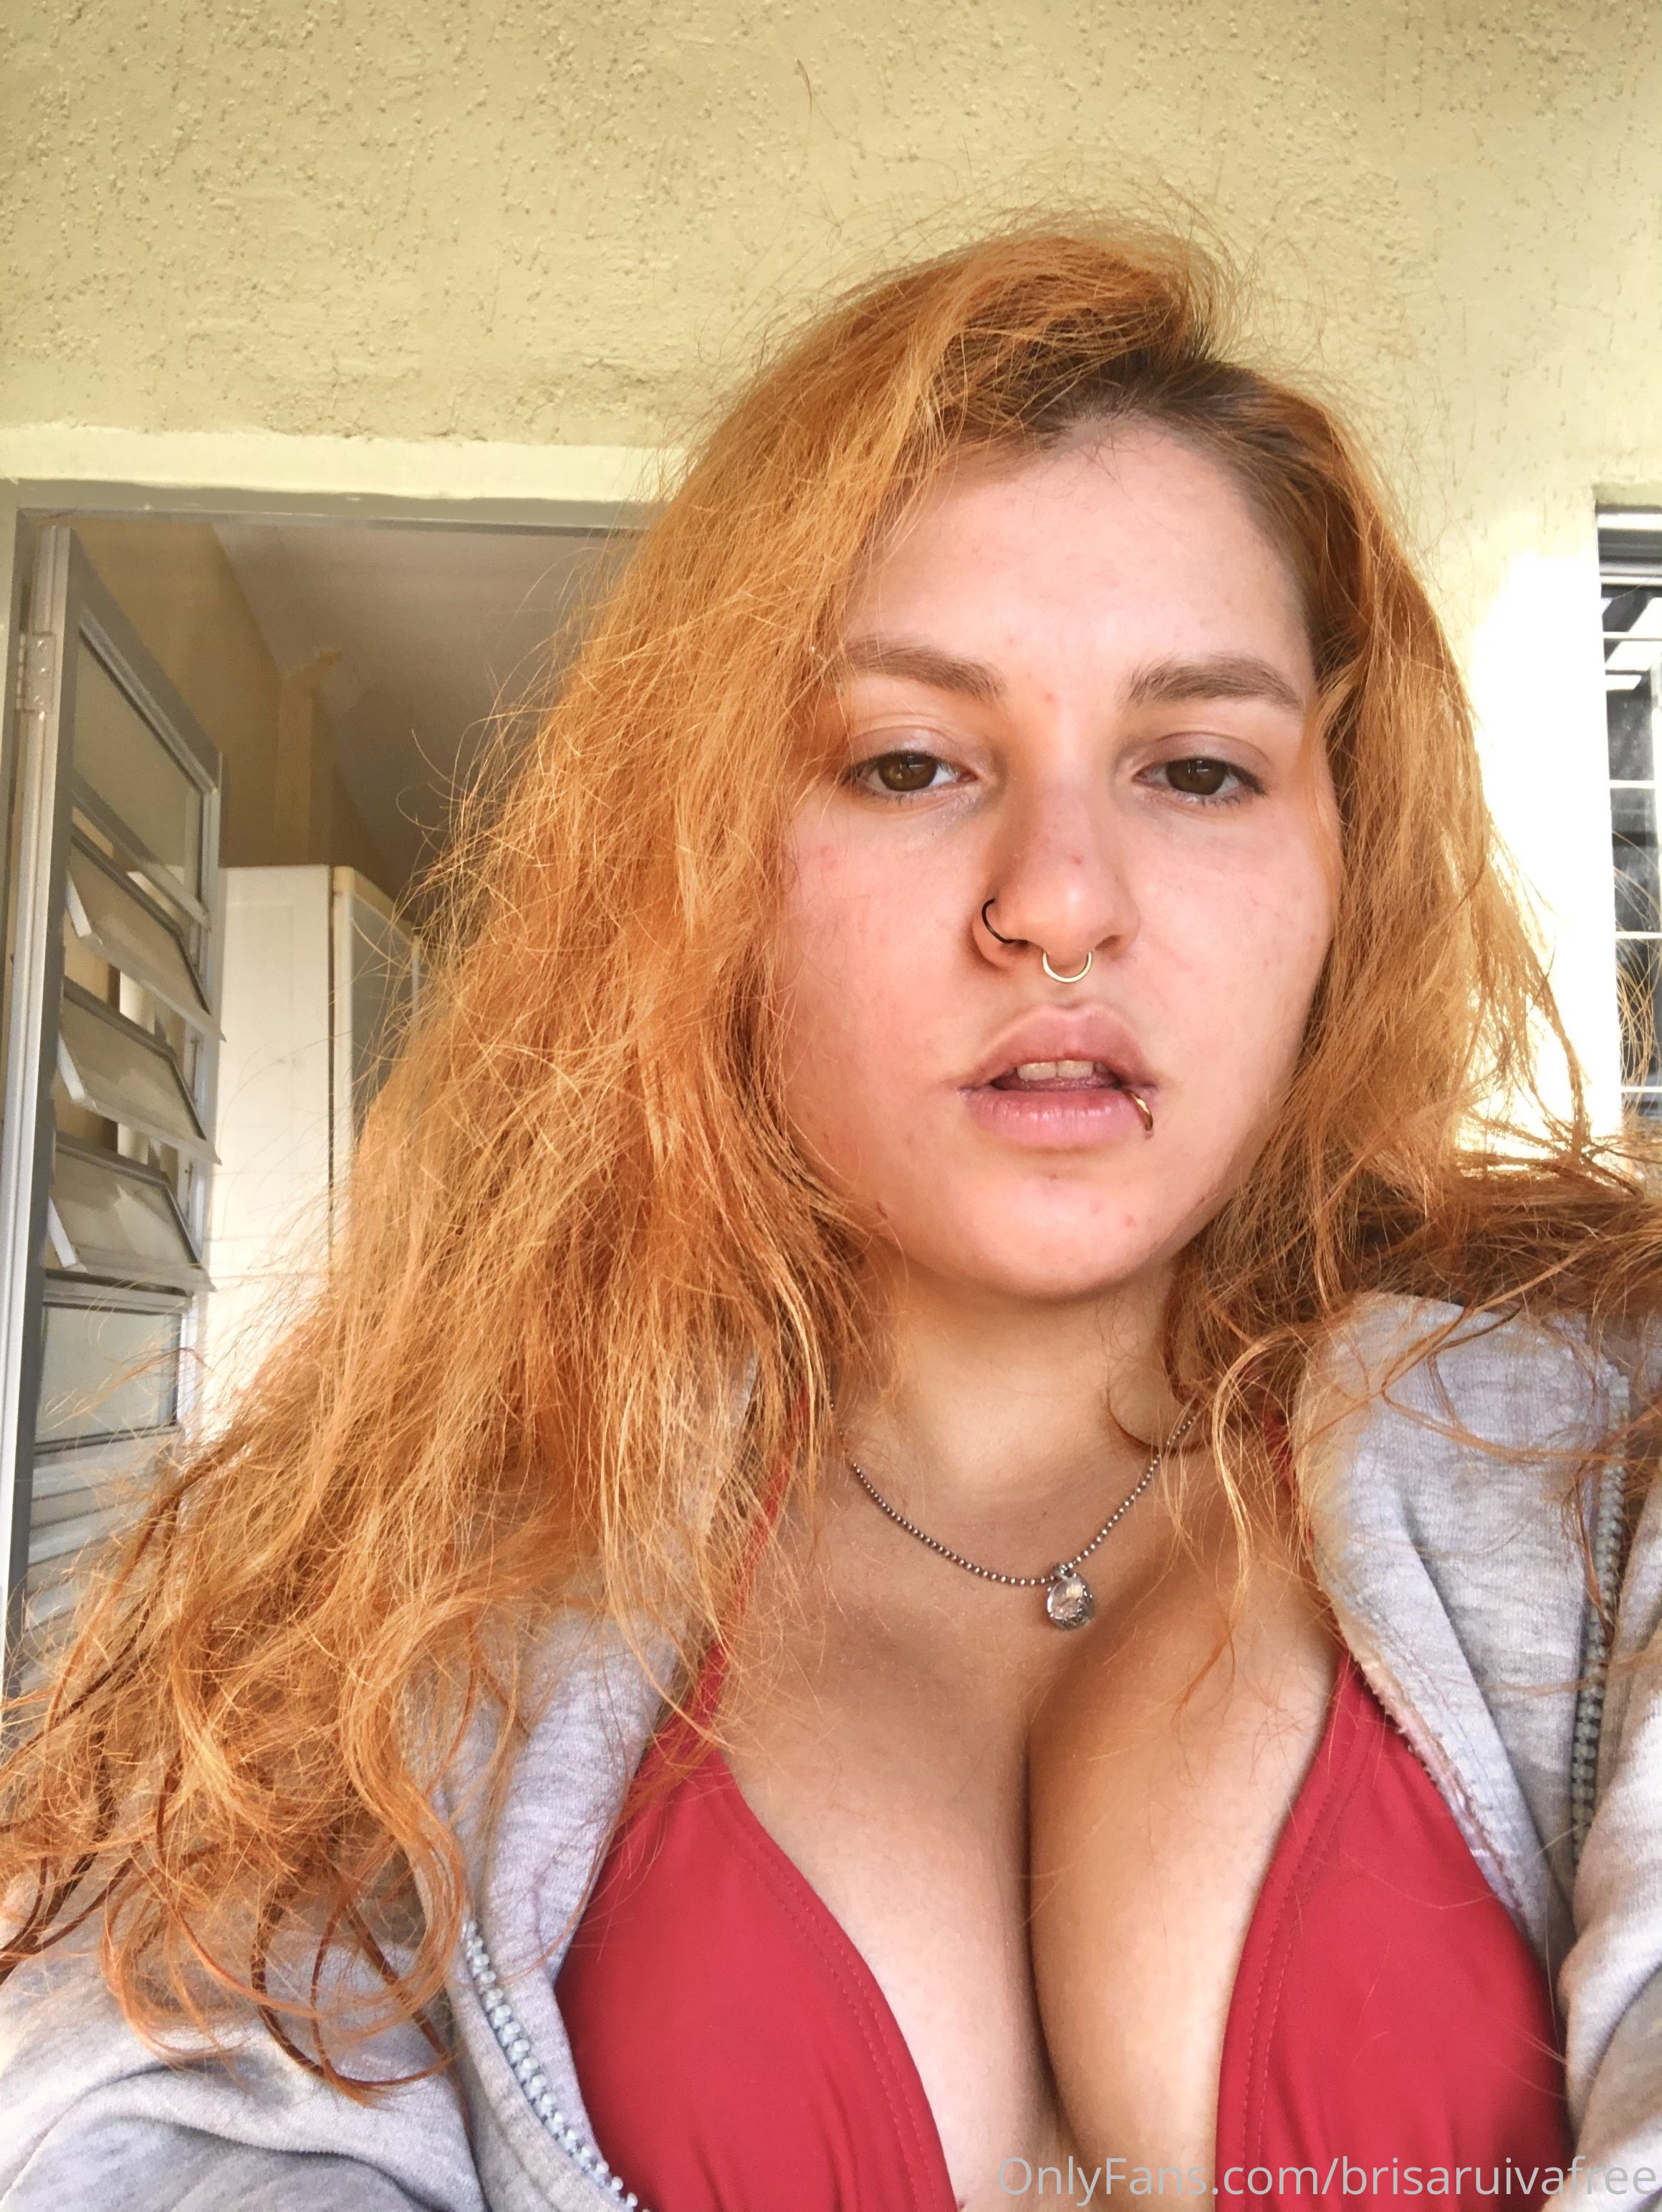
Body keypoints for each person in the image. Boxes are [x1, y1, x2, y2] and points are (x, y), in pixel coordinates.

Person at [1, 223, 1660, 2212]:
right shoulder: (418, 1589)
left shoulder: (1611, 1463)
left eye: (1201, 769)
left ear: (1345, 860)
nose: (1060, 899)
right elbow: (138, 2127)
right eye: (908, 760)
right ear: (710, 867)